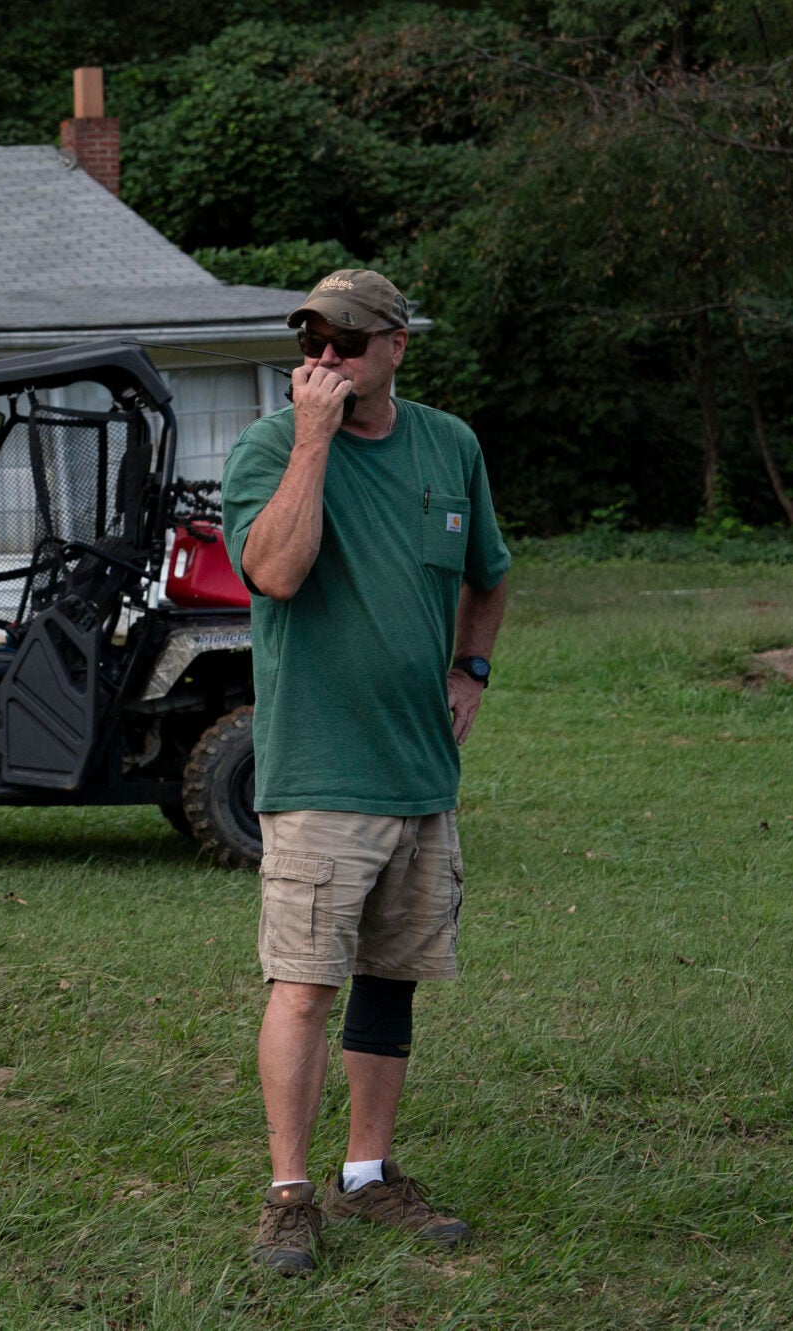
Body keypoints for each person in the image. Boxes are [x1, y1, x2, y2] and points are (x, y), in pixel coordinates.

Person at [219, 269, 512, 1275]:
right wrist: (311, 439)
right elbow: (275, 571)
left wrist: (470, 668)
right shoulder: (269, 447)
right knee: (302, 985)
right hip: (318, 772)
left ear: (395, 343)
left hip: (419, 775)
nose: (324, 358)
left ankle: (368, 1170)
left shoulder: (448, 445)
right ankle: (289, 1192)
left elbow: (489, 571)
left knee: (391, 979)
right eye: (311, 340)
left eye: (345, 340)